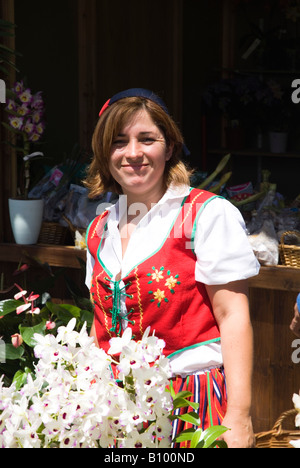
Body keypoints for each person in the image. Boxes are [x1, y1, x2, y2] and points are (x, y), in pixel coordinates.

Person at [83, 88, 260, 448]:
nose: (133, 153)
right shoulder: (99, 228)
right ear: (105, 153)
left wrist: (239, 415)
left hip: (190, 405)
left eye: (147, 139)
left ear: (170, 147)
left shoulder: (206, 215)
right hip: (116, 411)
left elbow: (233, 317)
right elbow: (98, 323)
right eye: (119, 142)